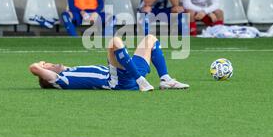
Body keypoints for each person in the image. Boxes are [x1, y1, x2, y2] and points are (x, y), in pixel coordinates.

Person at [29, 35, 190, 91]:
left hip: (127, 72)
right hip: (117, 81)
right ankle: (141, 81)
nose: (50, 63)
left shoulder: (70, 70)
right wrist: (41, 65)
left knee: (150, 39)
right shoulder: (60, 80)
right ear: (49, 76)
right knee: (114, 42)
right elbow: (33, 67)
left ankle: (165, 79)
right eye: (47, 65)